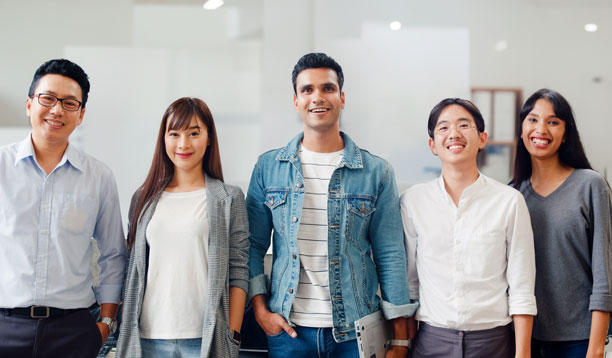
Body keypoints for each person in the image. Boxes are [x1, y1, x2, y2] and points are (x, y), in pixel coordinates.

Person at [246, 52, 416, 358]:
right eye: (307, 90)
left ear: (342, 97)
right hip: (288, 332)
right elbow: (252, 247)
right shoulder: (268, 168)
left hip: (357, 334)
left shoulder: (376, 172)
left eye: (327, 88)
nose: (317, 97)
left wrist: (401, 339)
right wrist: (260, 311)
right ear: (295, 100)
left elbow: (391, 255)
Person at [0, 59, 127, 357]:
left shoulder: (98, 177)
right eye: (47, 99)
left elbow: (114, 255)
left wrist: (106, 323)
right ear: (30, 104)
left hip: (73, 331)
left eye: (70, 103)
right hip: (5, 326)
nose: (57, 110)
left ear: (81, 114)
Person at [400, 98, 537, 358]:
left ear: (482, 138)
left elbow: (521, 287)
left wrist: (523, 354)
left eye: (464, 125)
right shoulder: (413, 201)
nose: (454, 134)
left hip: (494, 342)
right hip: (431, 341)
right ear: (432, 145)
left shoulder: (509, 201)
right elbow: (410, 284)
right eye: (443, 128)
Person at [116, 97, 249, 358]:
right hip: (147, 339)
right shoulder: (143, 198)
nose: (183, 144)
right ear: (163, 139)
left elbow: (239, 269)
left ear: (209, 138)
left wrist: (231, 334)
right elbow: (131, 265)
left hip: (205, 340)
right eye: (174, 133)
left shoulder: (229, 198)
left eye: (194, 133)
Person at [510, 89, 612, 358]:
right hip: (525, 339)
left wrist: (596, 348)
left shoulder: (591, 185)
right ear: (521, 130)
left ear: (566, 133)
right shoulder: (512, 195)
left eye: (553, 122)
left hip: (580, 340)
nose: (541, 129)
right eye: (532, 120)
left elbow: (605, 274)